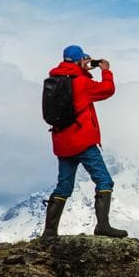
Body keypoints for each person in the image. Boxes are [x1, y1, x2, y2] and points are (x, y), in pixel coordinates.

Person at [42, 44, 128, 239]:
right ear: (81, 60)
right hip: (83, 141)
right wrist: (105, 71)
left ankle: (49, 231)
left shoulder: (54, 81)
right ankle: (103, 226)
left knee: (63, 186)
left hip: (62, 143)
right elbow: (107, 90)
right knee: (104, 180)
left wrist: (82, 69)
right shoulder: (81, 82)